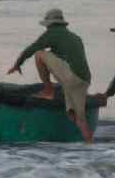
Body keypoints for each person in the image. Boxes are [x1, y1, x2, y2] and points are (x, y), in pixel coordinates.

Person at [7, 8, 93, 143]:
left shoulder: (51, 33)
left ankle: (48, 90)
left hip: (71, 78)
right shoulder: (75, 38)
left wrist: (18, 64)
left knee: (39, 54)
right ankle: (89, 146)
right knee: (78, 118)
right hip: (84, 80)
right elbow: (69, 58)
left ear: (49, 24)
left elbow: (32, 48)